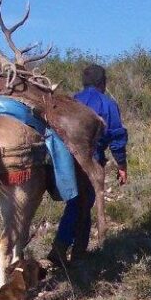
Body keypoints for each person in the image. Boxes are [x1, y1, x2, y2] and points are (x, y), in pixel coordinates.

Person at [48, 64, 128, 265]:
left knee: (79, 202)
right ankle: (64, 247)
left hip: (63, 159)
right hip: (91, 160)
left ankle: (74, 249)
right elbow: (117, 135)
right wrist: (122, 164)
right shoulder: (107, 104)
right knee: (81, 203)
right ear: (103, 83)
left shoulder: (71, 101)